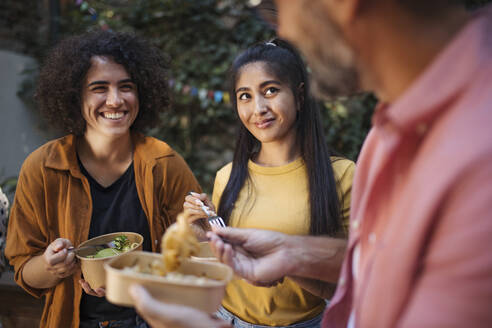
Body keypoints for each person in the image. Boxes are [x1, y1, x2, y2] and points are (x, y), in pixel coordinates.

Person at [131, 0, 492, 327]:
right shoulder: (387, 135)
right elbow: (383, 273)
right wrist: (293, 253)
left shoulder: (476, 155)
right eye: (245, 96)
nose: (282, 30)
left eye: (273, 5)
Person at [5, 30, 201, 328]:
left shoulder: (164, 163)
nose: (115, 100)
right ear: (75, 96)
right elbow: (24, 270)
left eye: (126, 87)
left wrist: (201, 228)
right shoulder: (43, 168)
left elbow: (195, 256)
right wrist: (50, 266)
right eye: (99, 88)